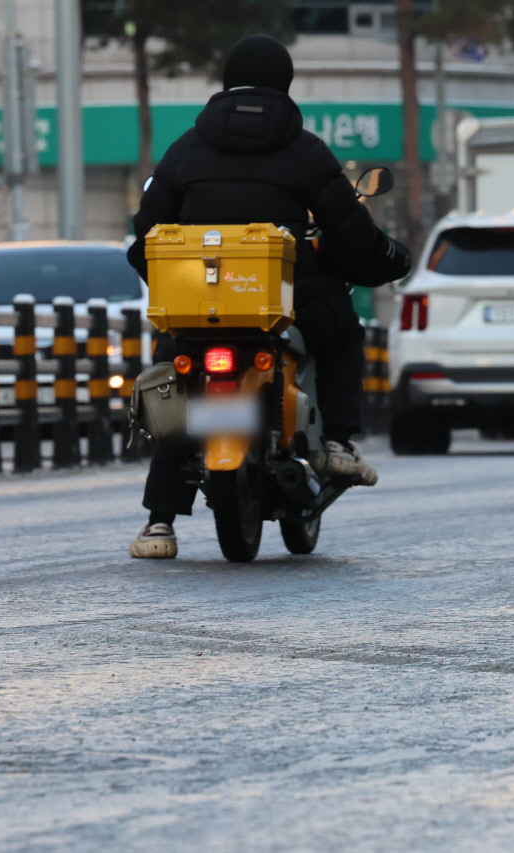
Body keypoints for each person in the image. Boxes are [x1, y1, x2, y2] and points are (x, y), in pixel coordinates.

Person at [126, 34, 411, 559]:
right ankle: (336, 443)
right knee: (343, 335)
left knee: (177, 379)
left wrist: (178, 290)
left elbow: (143, 237)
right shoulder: (304, 150)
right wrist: (390, 259)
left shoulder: (185, 149)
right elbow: (350, 235)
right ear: (285, 83)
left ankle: (159, 522)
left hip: (201, 310)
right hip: (290, 302)